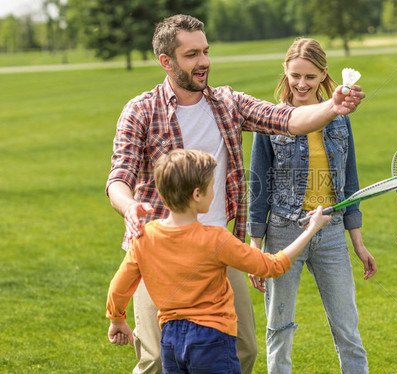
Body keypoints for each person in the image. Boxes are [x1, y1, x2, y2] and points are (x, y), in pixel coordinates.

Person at [105, 15, 365, 374]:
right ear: (166, 61)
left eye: (206, 51)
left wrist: (332, 107)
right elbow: (119, 177)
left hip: (217, 247)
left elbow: (286, 118)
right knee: (157, 359)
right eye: (192, 54)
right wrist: (130, 206)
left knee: (243, 350)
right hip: (160, 250)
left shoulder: (227, 102)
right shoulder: (141, 111)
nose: (204, 62)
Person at [106, 149, 332, 374]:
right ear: (197, 195)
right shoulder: (216, 239)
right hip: (212, 339)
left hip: (170, 340)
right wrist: (311, 229)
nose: (215, 193)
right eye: (212, 187)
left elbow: (120, 285)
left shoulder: (144, 237)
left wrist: (117, 319)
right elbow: (273, 265)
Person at [246, 38, 376, 374]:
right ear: (285, 73)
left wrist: (357, 243)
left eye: (310, 76)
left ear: (323, 75)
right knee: (279, 327)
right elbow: (257, 185)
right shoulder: (271, 119)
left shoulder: (339, 118)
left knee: (348, 329)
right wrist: (255, 247)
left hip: (330, 232)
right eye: (295, 76)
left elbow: (350, 182)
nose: (301, 84)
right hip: (283, 233)